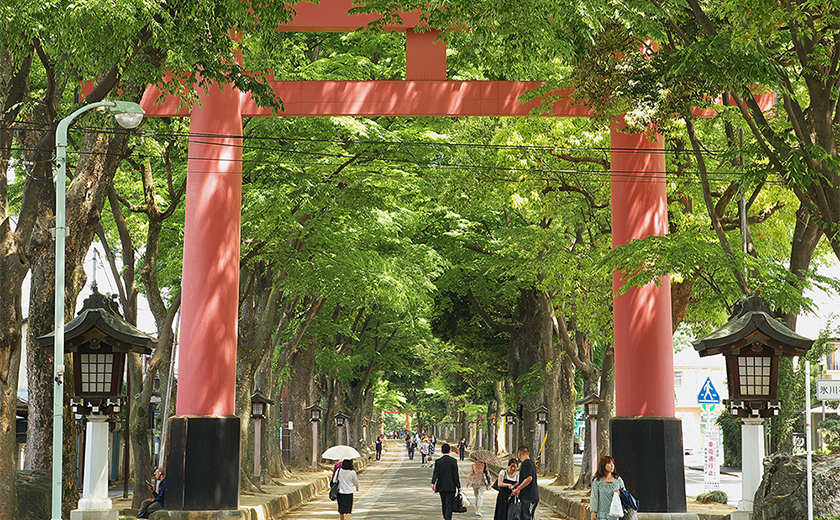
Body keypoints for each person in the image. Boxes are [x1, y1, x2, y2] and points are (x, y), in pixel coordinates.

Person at [431, 443, 462, 520]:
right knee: (449, 503)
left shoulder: (438, 462)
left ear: (441, 451)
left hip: (441, 485)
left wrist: (433, 483)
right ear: (450, 451)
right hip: (451, 486)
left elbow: (436, 473)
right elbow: (455, 475)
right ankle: (448, 518)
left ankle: (445, 516)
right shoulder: (453, 461)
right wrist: (458, 486)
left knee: (444, 502)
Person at [590, 456, 626, 520]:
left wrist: (619, 493)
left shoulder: (618, 480)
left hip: (615, 514)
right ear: (603, 465)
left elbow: (625, 494)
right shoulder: (597, 481)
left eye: (613, 464)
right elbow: (594, 497)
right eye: (609, 463)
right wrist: (593, 513)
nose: (612, 466)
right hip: (602, 515)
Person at [511, 446, 539, 520]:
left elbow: (529, 478)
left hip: (528, 497)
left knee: (526, 517)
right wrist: (519, 483)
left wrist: (518, 489)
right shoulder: (531, 463)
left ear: (519, 454)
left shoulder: (525, 463)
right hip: (532, 495)